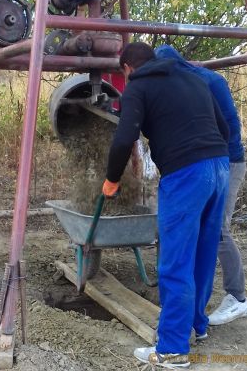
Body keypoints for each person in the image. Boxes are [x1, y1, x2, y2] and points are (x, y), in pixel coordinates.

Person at [102, 42, 229, 368]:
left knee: (175, 262)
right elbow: (225, 128)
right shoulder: (193, 79)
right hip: (219, 168)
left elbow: (123, 138)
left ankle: (172, 350)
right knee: (203, 251)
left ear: (127, 68)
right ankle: (196, 326)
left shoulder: (138, 87)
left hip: (186, 176)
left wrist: (112, 180)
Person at [155, 45, 247, 325]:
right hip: (208, 162)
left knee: (218, 230)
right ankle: (190, 299)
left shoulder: (208, 81)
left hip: (228, 163)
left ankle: (238, 298)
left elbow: (228, 127)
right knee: (195, 231)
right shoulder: (189, 79)